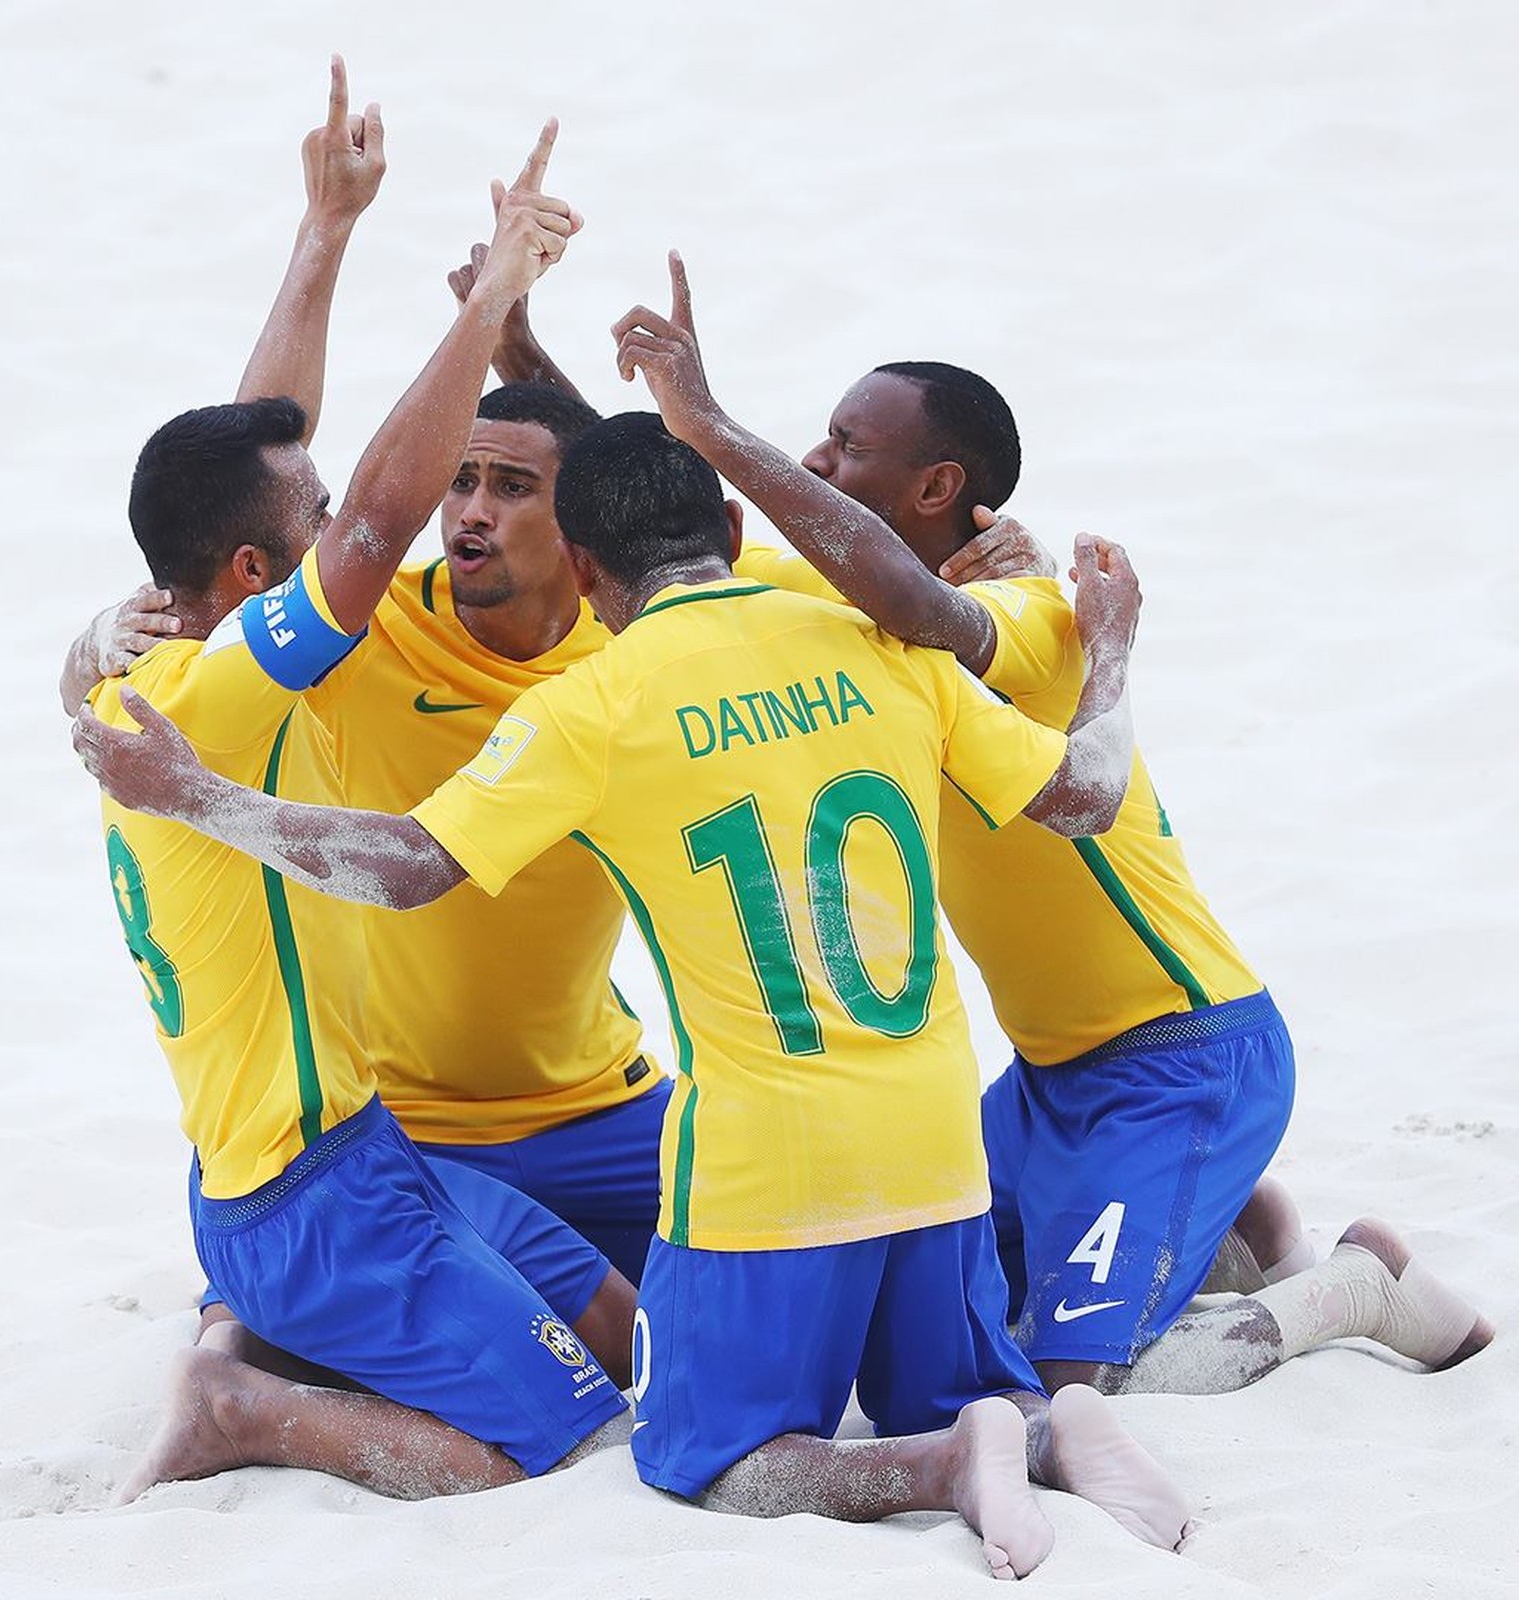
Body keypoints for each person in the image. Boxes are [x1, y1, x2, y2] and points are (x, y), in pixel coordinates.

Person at [73, 392, 1197, 1575]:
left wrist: (195, 795)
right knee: (933, 1376)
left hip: (763, 1169)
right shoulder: (875, 644)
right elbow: (1086, 792)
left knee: (702, 1456)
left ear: (582, 561)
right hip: (935, 1147)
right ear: (723, 519)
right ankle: (1037, 1421)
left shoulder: (595, 705)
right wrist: (1110, 644)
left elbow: (408, 868)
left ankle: (941, 1465)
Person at [607, 253, 1494, 1396]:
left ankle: (1358, 1284)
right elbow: (659, 534)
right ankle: (1238, 1226)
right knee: (962, 1329)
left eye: (846, 444)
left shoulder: (1028, 610)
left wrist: (717, 425)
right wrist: (526, 354)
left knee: (1075, 1381)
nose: (817, 459)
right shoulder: (839, 602)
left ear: (936, 488)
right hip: (1045, 1082)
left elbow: (922, 606)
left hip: (1181, 1058)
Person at [74, 74, 634, 1502]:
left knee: (615, 1333)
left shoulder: (180, 668)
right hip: (307, 1193)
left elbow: (261, 456)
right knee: (550, 1444)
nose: (364, 539)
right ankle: (244, 1413)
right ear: (256, 582)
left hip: (368, 1144)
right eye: (306, 535)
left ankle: (275, 1341)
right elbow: (374, 514)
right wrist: (493, 289)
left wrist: (325, 231)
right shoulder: (229, 688)